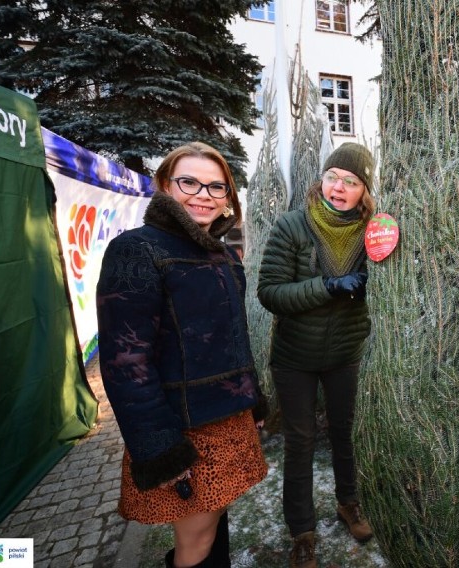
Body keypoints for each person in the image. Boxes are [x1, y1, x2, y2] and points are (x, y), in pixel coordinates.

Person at [96, 142, 269, 568]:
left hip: (228, 417)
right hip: (184, 428)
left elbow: (233, 338)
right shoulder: (137, 250)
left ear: (228, 196)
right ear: (163, 186)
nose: (203, 195)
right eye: (188, 182)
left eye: (216, 186)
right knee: (197, 542)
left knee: (216, 526)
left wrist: (253, 396)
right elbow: (125, 361)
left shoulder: (224, 254)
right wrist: (158, 446)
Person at [257, 142, 376, 568]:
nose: (339, 187)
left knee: (345, 433)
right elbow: (270, 292)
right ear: (321, 179)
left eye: (351, 181)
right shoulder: (293, 226)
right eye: (332, 177)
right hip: (295, 358)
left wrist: (373, 284)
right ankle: (302, 531)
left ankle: (349, 504)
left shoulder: (374, 232)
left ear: (364, 190)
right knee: (301, 441)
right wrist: (327, 286)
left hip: (345, 352)